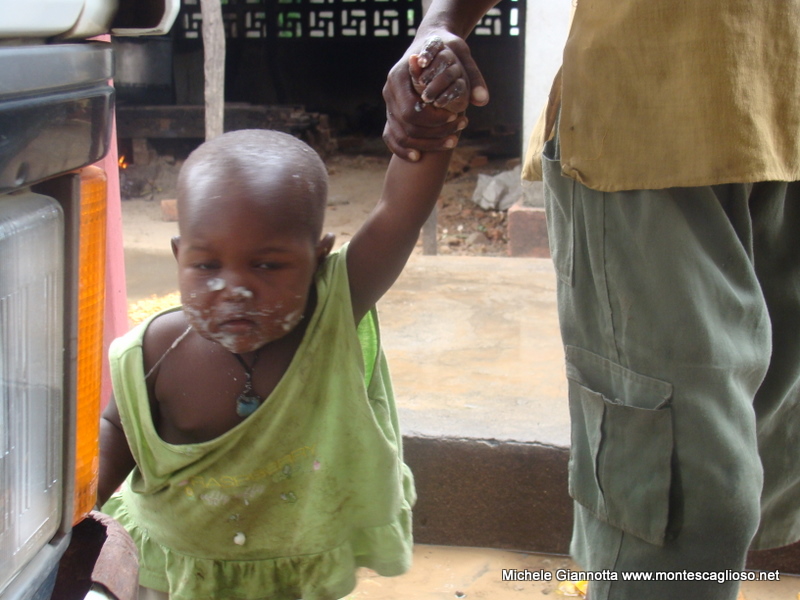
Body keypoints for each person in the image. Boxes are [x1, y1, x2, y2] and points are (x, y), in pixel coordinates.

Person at [383, 3, 800, 600]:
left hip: (785, 115)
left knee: (768, 456)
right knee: (685, 503)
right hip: (645, 125)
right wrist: (443, 22)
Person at [98, 50, 463, 600]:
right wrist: (76, 515)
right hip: (175, 577)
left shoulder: (331, 314)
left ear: (318, 258)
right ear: (178, 256)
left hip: (292, 576)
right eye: (206, 266)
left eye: (267, 266)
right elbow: (117, 428)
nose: (234, 289)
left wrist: (431, 118)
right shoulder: (154, 352)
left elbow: (398, 213)